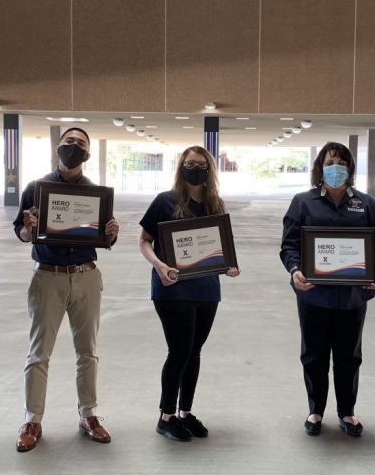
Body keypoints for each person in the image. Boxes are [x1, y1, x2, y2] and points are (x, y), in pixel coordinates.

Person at [13, 128, 119, 451]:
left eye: (81, 145)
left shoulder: (97, 194)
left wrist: (112, 233)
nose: (74, 148)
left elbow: (105, 236)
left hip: (86, 275)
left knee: (88, 350)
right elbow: (20, 230)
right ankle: (32, 419)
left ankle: (89, 414)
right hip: (48, 276)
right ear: (58, 148)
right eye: (68, 143)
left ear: (88, 154)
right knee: (39, 352)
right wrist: (27, 230)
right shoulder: (37, 188)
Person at [280, 142, 375, 437]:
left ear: (350, 169)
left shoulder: (365, 204)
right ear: (320, 167)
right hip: (314, 294)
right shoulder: (303, 202)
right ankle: (315, 410)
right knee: (314, 354)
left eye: (342, 163)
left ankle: (347, 412)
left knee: (349, 356)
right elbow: (289, 245)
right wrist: (295, 270)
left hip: (353, 297)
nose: (336, 168)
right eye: (331, 162)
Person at [138, 146, 240, 442]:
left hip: (207, 289)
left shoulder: (215, 204)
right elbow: (144, 241)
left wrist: (229, 265)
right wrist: (158, 265)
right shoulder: (164, 201)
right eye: (189, 163)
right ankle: (166, 416)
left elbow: (221, 248)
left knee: (194, 352)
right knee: (179, 350)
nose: (194, 168)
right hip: (172, 289)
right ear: (181, 166)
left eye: (200, 164)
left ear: (209, 169)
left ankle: (185, 412)